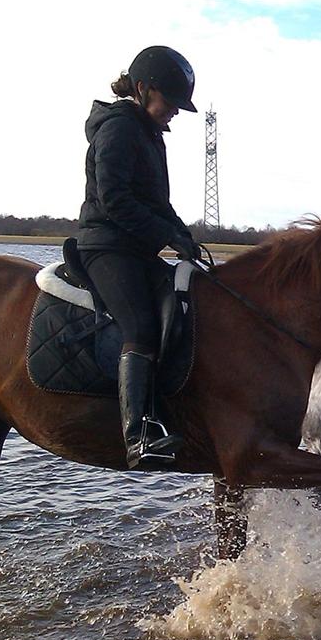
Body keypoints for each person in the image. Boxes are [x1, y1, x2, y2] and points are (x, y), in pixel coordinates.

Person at [76, 45, 200, 469]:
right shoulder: (118, 130)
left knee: (181, 309)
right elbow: (114, 201)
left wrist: (182, 234)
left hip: (136, 247)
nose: (176, 113)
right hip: (105, 245)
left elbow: (157, 203)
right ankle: (138, 433)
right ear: (144, 88)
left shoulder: (148, 135)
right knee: (142, 326)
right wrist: (165, 234)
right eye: (172, 103)